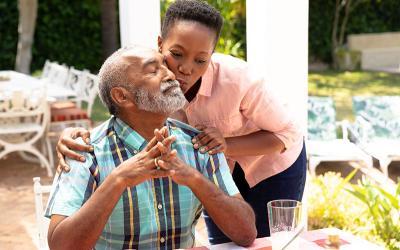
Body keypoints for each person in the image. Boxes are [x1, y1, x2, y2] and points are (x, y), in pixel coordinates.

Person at [56, 0, 307, 244]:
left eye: (201, 60)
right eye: (175, 55)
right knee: (220, 236)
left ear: (212, 55)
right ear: (160, 44)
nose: (183, 70)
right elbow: (124, 106)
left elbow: (288, 133)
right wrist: (80, 136)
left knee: (269, 239)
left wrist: (221, 148)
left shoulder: (238, 80)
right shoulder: (148, 80)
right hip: (216, 160)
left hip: (271, 163)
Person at [45, 45, 257, 250]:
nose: (171, 75)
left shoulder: (199, 145)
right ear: (122, 96)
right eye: (154, 70)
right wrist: (118, 181)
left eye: (165, 66)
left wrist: (193, 178)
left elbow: (246, 234)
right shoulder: (85, 153)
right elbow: (60, 245)